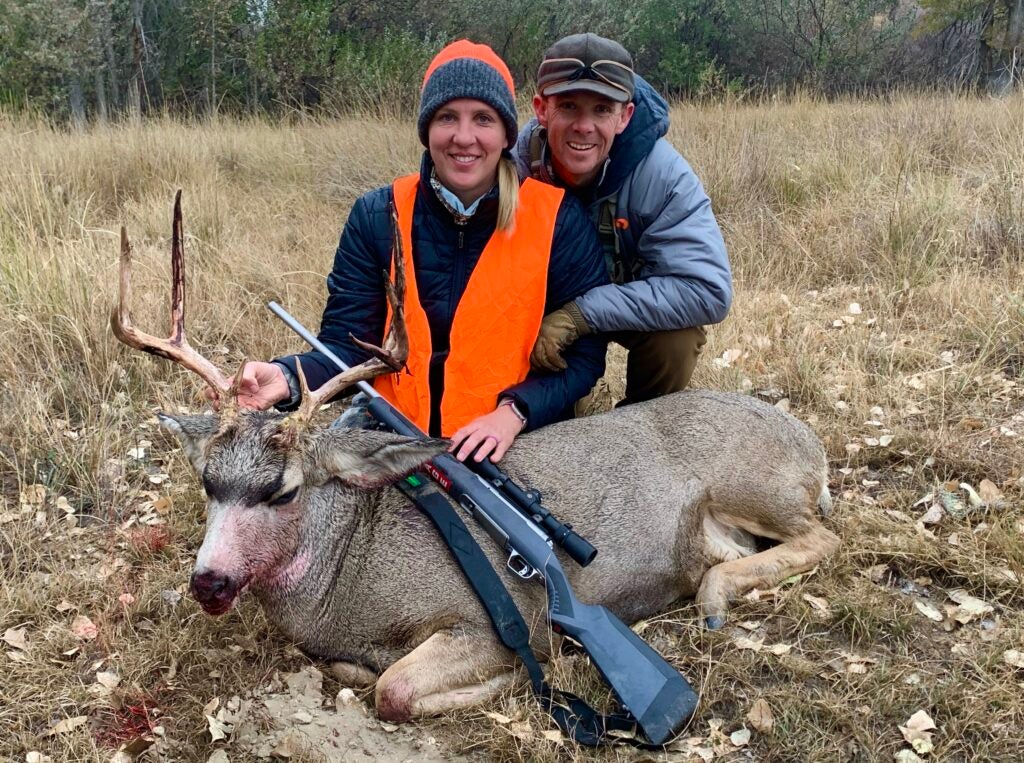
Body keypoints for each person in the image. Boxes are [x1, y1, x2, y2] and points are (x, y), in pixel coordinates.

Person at [223, 40, 609, 463]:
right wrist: (285, 378)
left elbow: (583, 359)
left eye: (483, 118)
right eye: (447, 117)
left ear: (505, 134)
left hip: (511, 435)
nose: (464, 138)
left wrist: (514, 412)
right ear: (427, 130)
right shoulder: (378, 214)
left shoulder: (557, 219)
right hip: (393, 429)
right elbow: (348, 346)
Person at [514, 33, 731, 406]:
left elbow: (708, 290)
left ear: (624, 115)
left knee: (675, 341)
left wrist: (579, 316)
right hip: (543, 306)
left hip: (621, 304)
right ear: (541, 109)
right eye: (568, 106)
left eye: (602, 109)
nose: (584, 126)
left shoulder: (664, 176)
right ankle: (550, 407)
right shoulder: (514, 167)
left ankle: (641, 428)